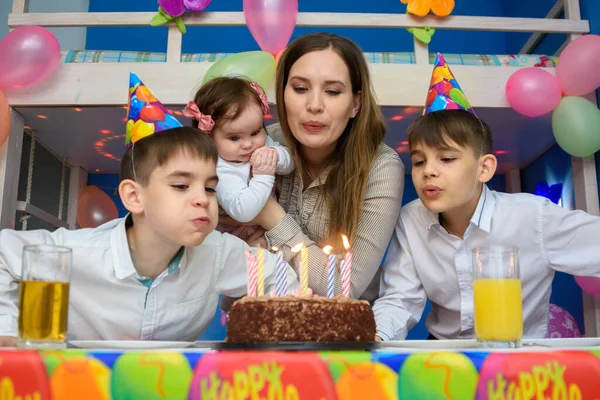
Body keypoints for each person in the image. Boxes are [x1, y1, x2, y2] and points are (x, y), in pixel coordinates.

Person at [0, 74, 298, 346]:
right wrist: (9, 333)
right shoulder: (77, 251)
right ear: (134, 196)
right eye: (181, 186)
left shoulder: (218, 253)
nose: (203, 199)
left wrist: (265, 331)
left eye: (209, 187)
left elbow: (280, 279)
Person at [373, 107, 600, 340]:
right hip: (445, 355)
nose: (428, 171)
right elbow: (399, 299)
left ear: (484, 168)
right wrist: (377, 336)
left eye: (447, 158)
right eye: (419, 161)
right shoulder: (410, 220)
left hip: (517, 356)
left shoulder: (532, 216)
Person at [236, 33, 405, 300]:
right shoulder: (254, 145)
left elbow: (343, 288)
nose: (314, 105)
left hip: (344, 335)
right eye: (300, 89)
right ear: (282, 94)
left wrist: (269, 215)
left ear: (355, 104)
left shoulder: (381, 168)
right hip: (262, 323)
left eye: (333, 91)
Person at [184, 76, 295, 242]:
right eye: (234, 138)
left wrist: (276, 155)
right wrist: (263, 174)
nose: (248, 144)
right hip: (233, 241)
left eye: (255, 132)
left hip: (268, 231)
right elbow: (244, 212)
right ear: (209, 138)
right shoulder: (219, 170)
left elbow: (291, 164)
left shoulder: (262, 144)